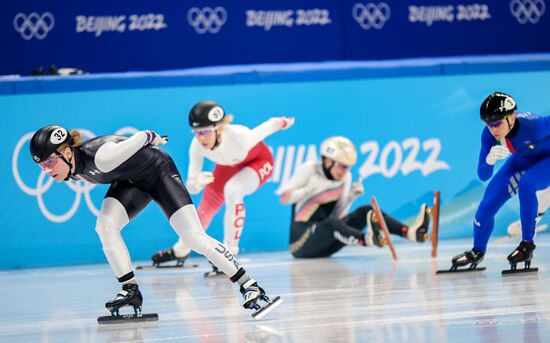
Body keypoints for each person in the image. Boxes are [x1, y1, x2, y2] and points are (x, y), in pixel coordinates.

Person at [29, 124, 281, 318]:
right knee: (105, 226)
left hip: (158, 173)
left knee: (193, 237)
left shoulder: (100, 156)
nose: (48, 171)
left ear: (65, 152)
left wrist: (154, 137)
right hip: (130, 180)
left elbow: (140, 137)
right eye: (42, 167)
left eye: (50, 163)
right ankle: (130, 291)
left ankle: (250, 285)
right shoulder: (73, 167)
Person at [151, 100, 294, 276]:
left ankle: (230, 253)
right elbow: (191, 187)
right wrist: (197, 183)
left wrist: (285, 122)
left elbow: (269, 126)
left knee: (234, 189)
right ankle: (181, 249)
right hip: (229, 165)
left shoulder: (240, 136)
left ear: (219, 128)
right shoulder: (196, 146)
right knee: (205, 208)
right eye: (196, 132)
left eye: (205, 132)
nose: (201, 138)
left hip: (259, 161)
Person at [277, 136, 430, 258]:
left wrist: (350, 197)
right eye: (342, 166)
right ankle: (366, 239)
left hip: (327, 242)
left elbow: (338, 215)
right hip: (300, 244)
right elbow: (284, 198)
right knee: (331, 223)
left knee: (366, 211)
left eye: (348, 167)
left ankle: (410, 232)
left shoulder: (346, 178)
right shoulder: (310, 170)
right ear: (328, 161)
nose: (345, 171)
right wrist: (307, 190)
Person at [451, 92, 550, 271]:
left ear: (511, 117)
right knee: (488, 203)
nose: (493, 129)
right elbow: (483, 174)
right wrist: (489, 159)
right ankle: (477, 251)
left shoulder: (535, 127)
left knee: (527, 184)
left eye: (497, 123)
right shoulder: (489, 135)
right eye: (489, 125)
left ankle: (527, 245)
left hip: (547, 160)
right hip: (522, 159)